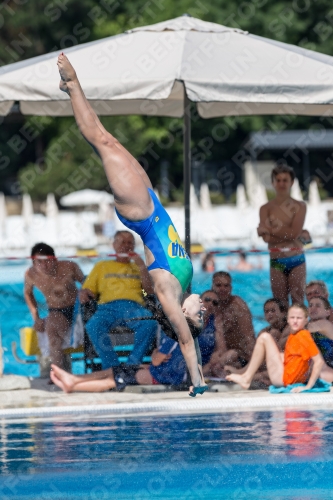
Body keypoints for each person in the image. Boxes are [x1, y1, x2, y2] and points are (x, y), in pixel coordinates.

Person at [57, 53, 206, 396]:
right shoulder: (184, 284)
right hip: (149, 203)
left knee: (101, 139)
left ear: (186, 315)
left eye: (201, 315)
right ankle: (71, 87)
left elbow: (185, 339)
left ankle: (73, 84)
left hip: (141, 213)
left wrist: (198, 382)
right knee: (105, 138)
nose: (204, 309)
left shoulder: (170, 293)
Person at [50, 294, 205, 392]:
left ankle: (75, 385)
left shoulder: (176, 334)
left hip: (161, 376)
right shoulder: (188, 331)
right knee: (118, 370)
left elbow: (157, 360)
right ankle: (74, 379)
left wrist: (155, 356)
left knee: (114, 380)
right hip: (165, 372)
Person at [81, 230, 157, 369]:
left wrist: (141, 266)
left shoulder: (139, 267)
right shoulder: (101, 266)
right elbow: (89, 289)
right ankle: (112, 368)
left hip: (133, 307)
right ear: (114, 245)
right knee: (93, 325)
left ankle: (132, 365)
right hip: (107, 308)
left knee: (150, 323)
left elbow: (149, 291)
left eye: (130, 243)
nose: (126, 246)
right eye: (123, 242)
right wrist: (84, 293)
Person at [226, 304, 333, 391]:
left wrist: (308, 387)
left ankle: (246, 378)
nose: (295, 321)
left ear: (306, 320)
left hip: (284, 380)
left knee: (265, 337)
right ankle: (247, 375)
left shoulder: (303, 335)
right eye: (292, 317)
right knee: (281, 354)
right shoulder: (295, 334)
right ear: (287, 320)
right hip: (289, 378)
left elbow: (318, 361)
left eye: (299, 318)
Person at [24, 243, 89, 369]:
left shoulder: (69, 266)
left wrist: (84, 291)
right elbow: (28, 294)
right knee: (51, 329)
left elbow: (87, 284)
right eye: (39, 262)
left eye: (48, 261)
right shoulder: (31, 274)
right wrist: (36, 318)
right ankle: (58, 372)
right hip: (57, 310)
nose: (44, 265)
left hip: (77, 308)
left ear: (55, 259)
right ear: (33, 263)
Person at [257, 165, 306, 307]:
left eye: (285, 180)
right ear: (273, 183)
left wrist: (268, 229)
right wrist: (287, 232)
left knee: (298, 304)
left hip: (297, 259)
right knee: (280, 305)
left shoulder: (300, 206)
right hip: (276, 261)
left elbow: (294, 233)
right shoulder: (265, 208)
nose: (281, 184)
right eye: (278, 180)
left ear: (292, 182)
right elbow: (266, 238)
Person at [212, 271, 256, 367]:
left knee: (224, 360)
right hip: (221, 355)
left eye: (226, 286)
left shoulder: (238, 306)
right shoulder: (211, 305)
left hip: (240, 357)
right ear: (212, 287)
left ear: (231, 288)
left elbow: (249, 338)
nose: (223, 289)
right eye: (219, 285)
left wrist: (253, 366)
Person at [199, 290, 238, 378]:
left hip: (208, 364)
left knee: (233, 354)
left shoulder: (215, 321)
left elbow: (222, 348)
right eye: (207, 299)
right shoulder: (190, 320)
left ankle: (207, 371)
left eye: (215, 302)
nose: (210, 303)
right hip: (192, 364)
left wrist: (217, 354)